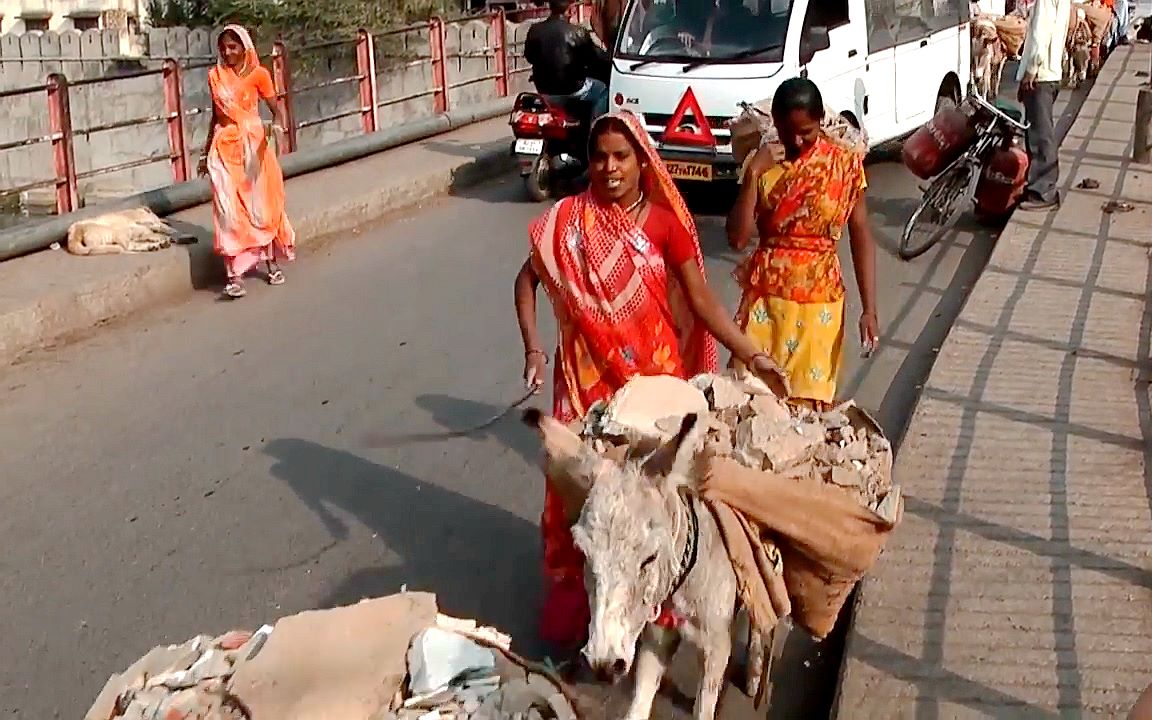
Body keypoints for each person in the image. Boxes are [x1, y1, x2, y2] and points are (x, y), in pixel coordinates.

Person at [514, 110, 789, 657]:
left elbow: (702, 302)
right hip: (584, 388)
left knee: (650, 509)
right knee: (577, 507)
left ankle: (652, 613)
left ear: (643, 160)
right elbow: (525, 282)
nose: (610, 168)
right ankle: (579, 625)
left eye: (621, 156)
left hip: (651, 393)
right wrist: (535, 347)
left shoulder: (664, 225)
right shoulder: (566, 222)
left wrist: (751, 355)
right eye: (599, 157)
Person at [726, 77, 879, 410]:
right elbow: (737, 239)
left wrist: (869, 309)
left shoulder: (844, 164)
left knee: (806, 407)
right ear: (775, 124)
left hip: (819, 304)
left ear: (820, 121)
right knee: (751, 400)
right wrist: (753, 175)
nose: (796, 141)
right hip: (765, 301)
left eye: (806, 132)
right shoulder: (762, 163)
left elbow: (861, 233)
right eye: (787, 131)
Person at [198, 25, 296, 299]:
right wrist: (206, 154)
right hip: (225, 149)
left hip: (254, 148)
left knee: (260, 208)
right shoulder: (215, 77)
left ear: (245, 48)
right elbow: (216, 118)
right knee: (228, 212)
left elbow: (276, 110)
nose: (228, 53)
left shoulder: (259, 75)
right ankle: (234, 276)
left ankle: (270, 263)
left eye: (233, 47)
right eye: (224, 48)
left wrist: (277, 129)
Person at [1016, 0, 1071, 212]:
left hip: (1041, 74)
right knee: (1037, 132)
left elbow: (1041, 31)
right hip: (1049, 72)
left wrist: (1031, 69)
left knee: (1041, 135)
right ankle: (1037, 186)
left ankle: (1044, 191)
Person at [524, 0, 611, 123]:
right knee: (603, 89)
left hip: (544, 89)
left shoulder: (535, 30)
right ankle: (594, 127)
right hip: (572, 90)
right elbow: (594, 59)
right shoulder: (578, 32)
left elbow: (529, 56)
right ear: (570, 10)